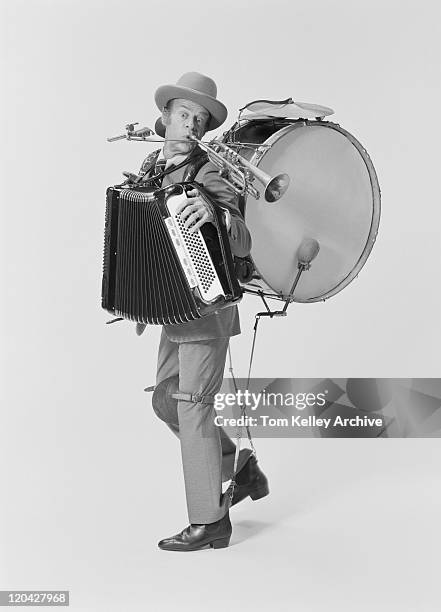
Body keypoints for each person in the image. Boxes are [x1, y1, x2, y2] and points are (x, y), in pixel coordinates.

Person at [136, 72, 269, 551]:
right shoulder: (151, 166)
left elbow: (241, 231)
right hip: (171, 307)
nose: (191, 125)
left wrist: (215, 214)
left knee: (193, 408)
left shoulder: (207, 170)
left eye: (199, 119)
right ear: (166, 117)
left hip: (206, 310)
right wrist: (139, 297)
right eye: (183, 115)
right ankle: (238, 468)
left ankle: (210, 522)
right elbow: (149, 238)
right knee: (166, 399)